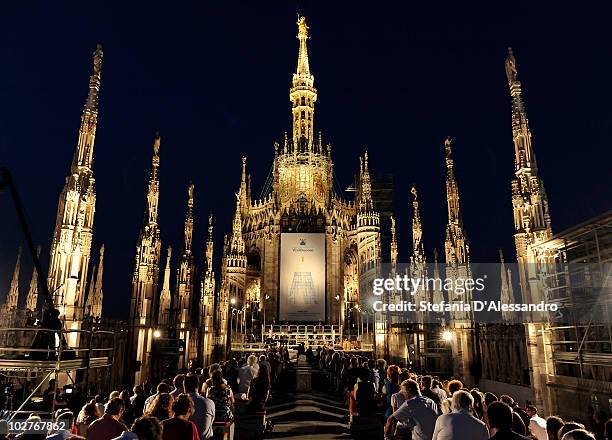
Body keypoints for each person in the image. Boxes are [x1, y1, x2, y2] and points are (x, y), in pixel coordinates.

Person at [183, 374, 215, 439]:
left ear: (185, 387)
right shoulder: (209, 402)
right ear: (198, 386)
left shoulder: (180, 403)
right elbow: (211, 422)